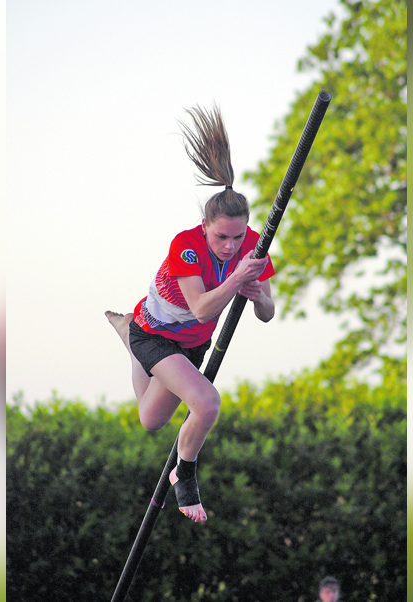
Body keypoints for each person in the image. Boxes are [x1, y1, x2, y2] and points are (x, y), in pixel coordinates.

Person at [105, 105, 275, 523]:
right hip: (157, 334)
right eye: (221, 236)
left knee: (151, 420)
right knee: (207, 402)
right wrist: (237, 281)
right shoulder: (185, 245)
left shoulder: (254, 246)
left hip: (189, 346)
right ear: (204, 225)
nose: (231, 246)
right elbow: (200, 309)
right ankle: (187, 478)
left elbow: (269, 313)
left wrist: (256, 295)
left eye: (238, 237)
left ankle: (126, 341)